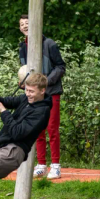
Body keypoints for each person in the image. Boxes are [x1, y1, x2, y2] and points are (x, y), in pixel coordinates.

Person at [18, 14, 66, 180]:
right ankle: (41, 165)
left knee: (52, 128)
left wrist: (45, 83)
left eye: (28, 23)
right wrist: (24, 83)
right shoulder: (22, 47)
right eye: (22, 24)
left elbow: (61, 67)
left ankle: (55, 166)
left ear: (36, 25)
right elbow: (25, 69)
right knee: (37, 129)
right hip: (34, 96)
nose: (25, 26)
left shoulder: (49, 44)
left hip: (51, 92)